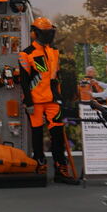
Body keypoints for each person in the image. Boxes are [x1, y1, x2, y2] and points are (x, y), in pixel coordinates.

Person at [18, 17, 78, 184]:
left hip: (53, 101)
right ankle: (40, 164)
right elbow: (24, 81)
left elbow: (56, 76)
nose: (49, 35)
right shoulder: (26, 54)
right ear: (35, 33)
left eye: (50, 32)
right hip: (35, 102)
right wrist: (28, 102)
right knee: (37, 135)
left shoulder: (54, 52)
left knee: (57, 134)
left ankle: (61, 168)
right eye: (46, 32)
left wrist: (59, 96)